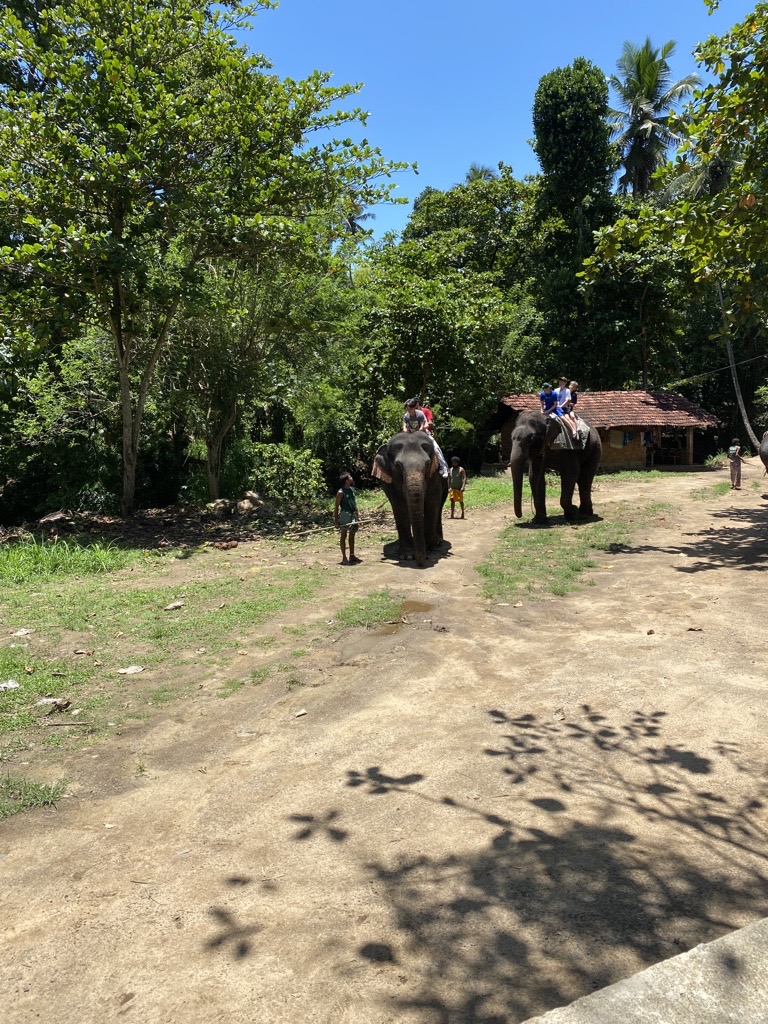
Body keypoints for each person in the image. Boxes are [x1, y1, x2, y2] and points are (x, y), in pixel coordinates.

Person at [334, 471, 361, 565]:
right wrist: (336, 521)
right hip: (345, 515)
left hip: (353, 515)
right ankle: (344, 557)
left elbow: (355, 504)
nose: (351, 478)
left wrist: (358, 517)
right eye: (350, 477)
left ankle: (352, 555)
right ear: (346, 480)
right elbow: (336, 507)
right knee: (343, 535)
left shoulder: (352, 490)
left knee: (352, 534)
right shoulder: (340, 492)